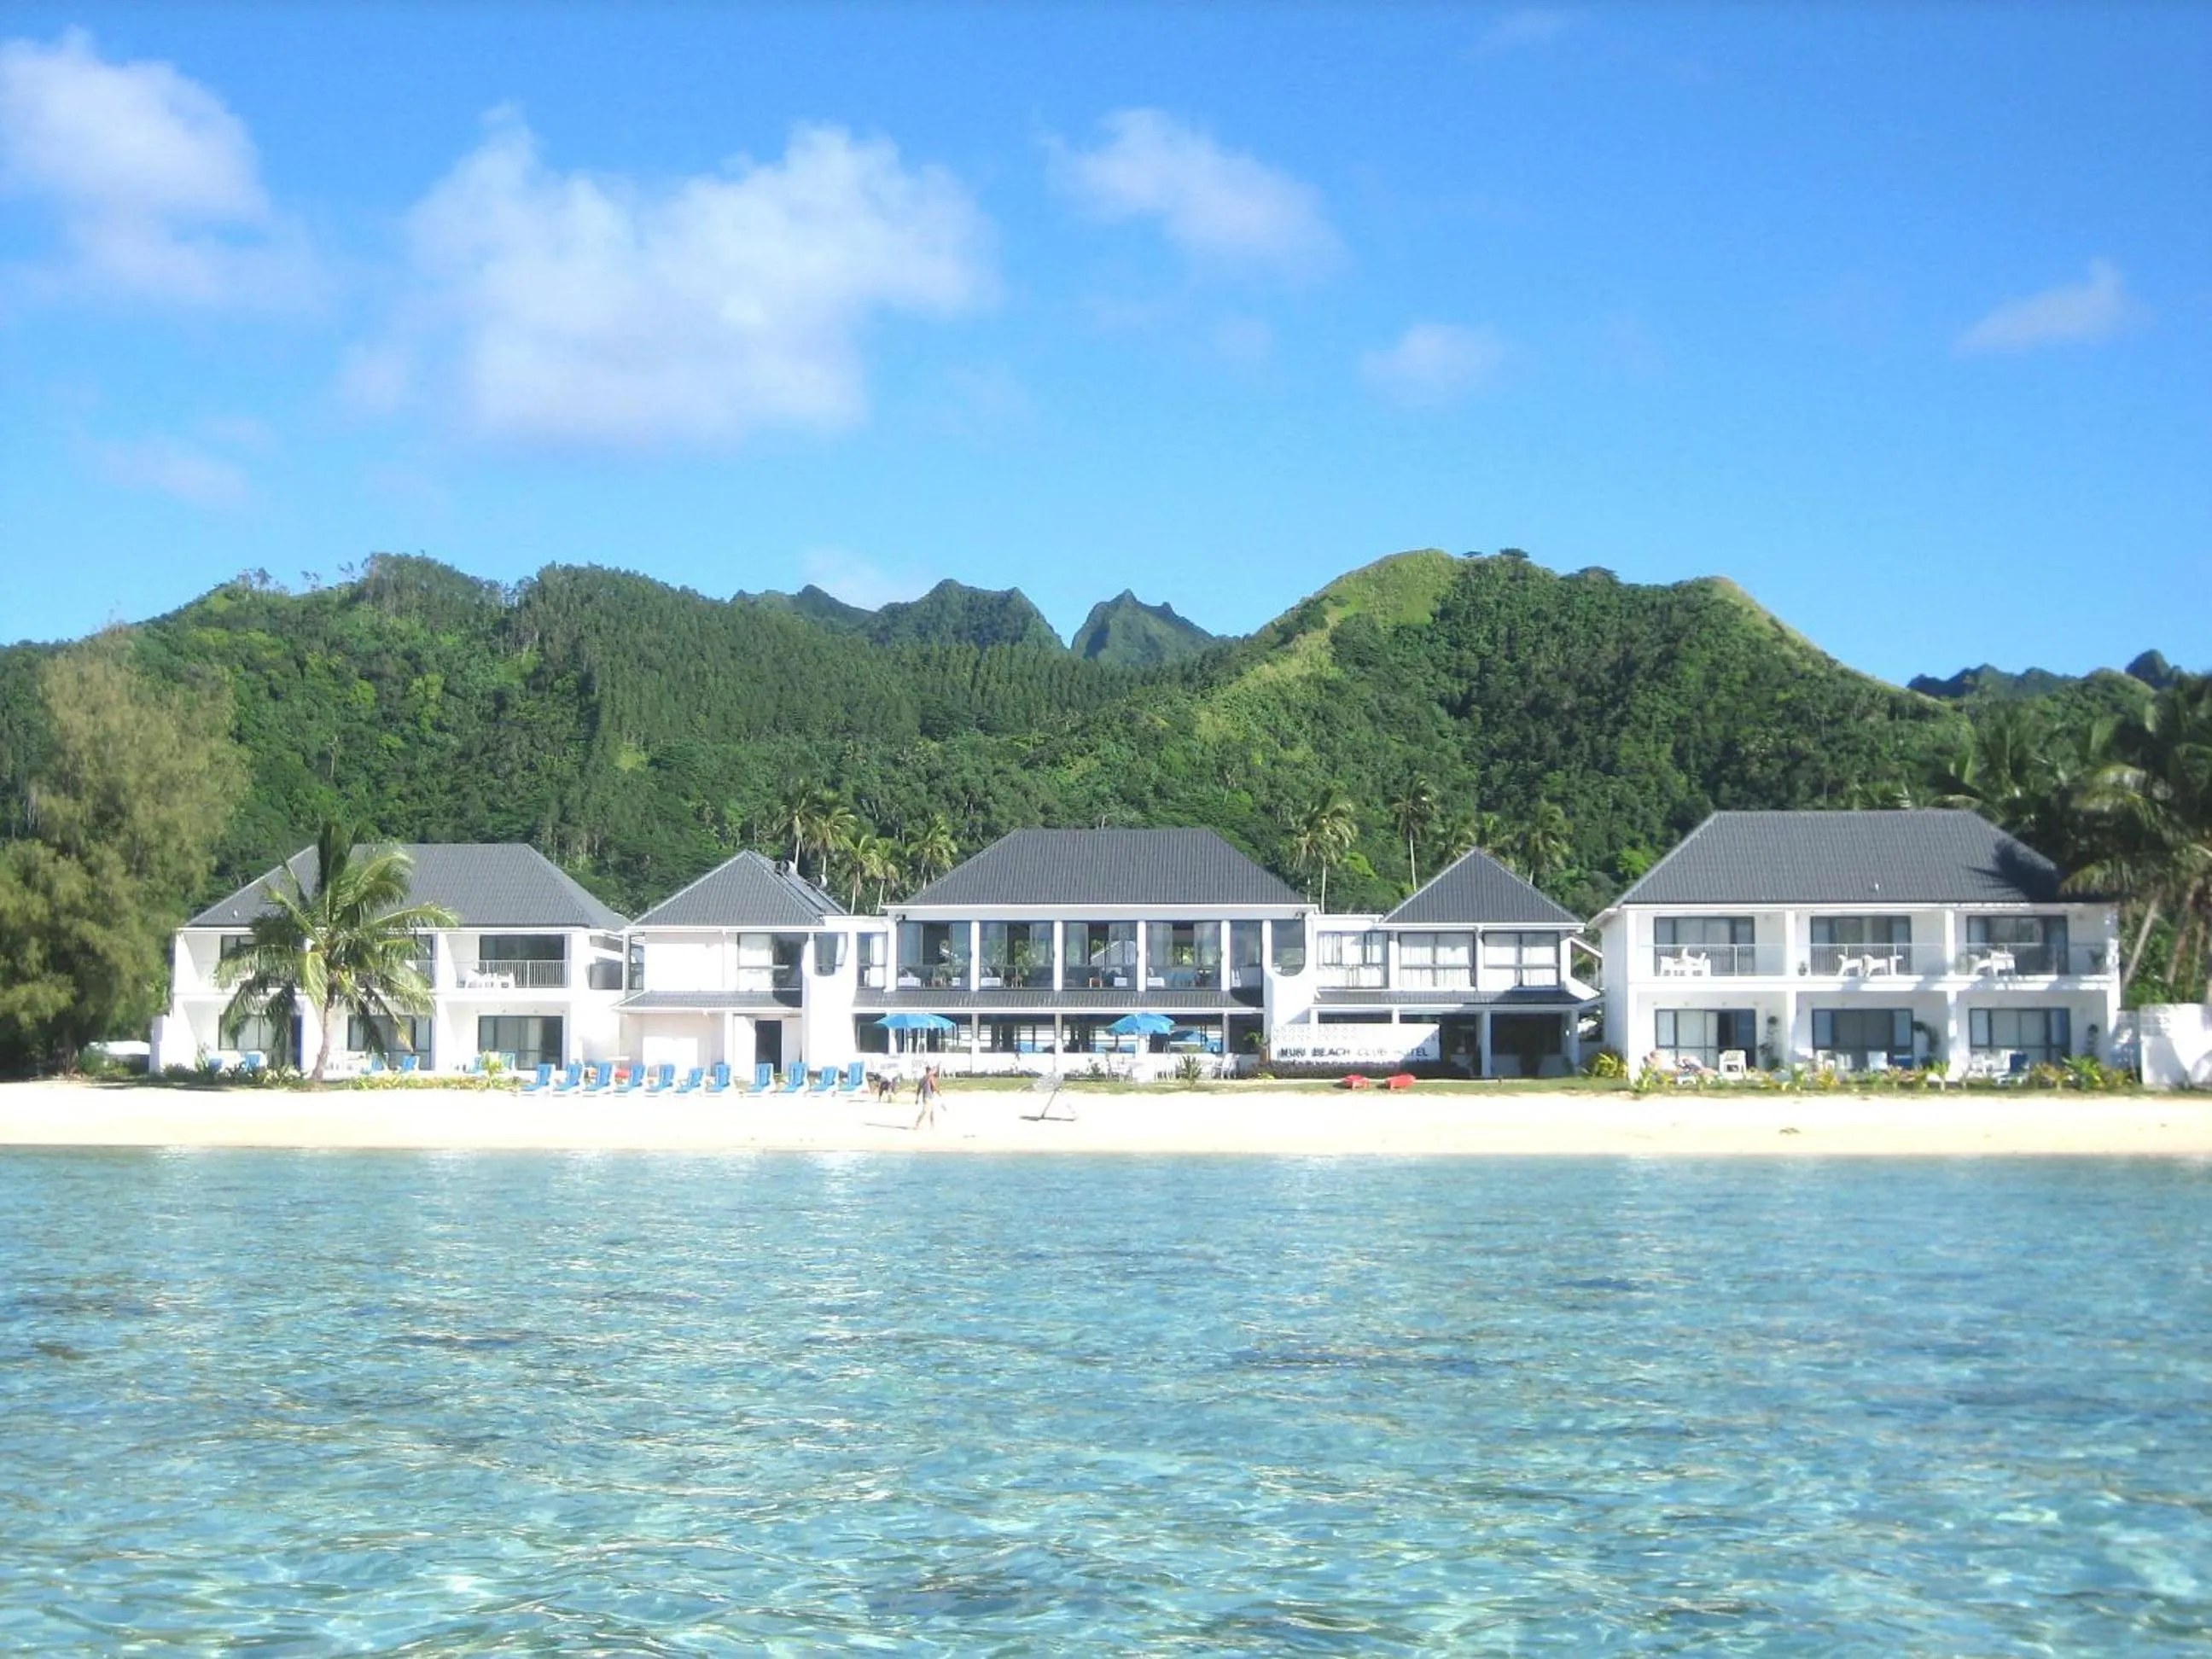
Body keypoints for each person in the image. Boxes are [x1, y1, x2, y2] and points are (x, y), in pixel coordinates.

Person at [911, 1063, 940, 1129]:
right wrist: (939, 1092)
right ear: (929, 1070)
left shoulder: (922, 1079)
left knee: (931, 1111)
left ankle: (932, 1125)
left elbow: (918, 1089)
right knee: (925, 1111)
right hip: (928, 1097)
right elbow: (934, 1087)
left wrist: (917, 1098)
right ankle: (917, 1123)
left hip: (925, 1097)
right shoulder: (930, 1077)